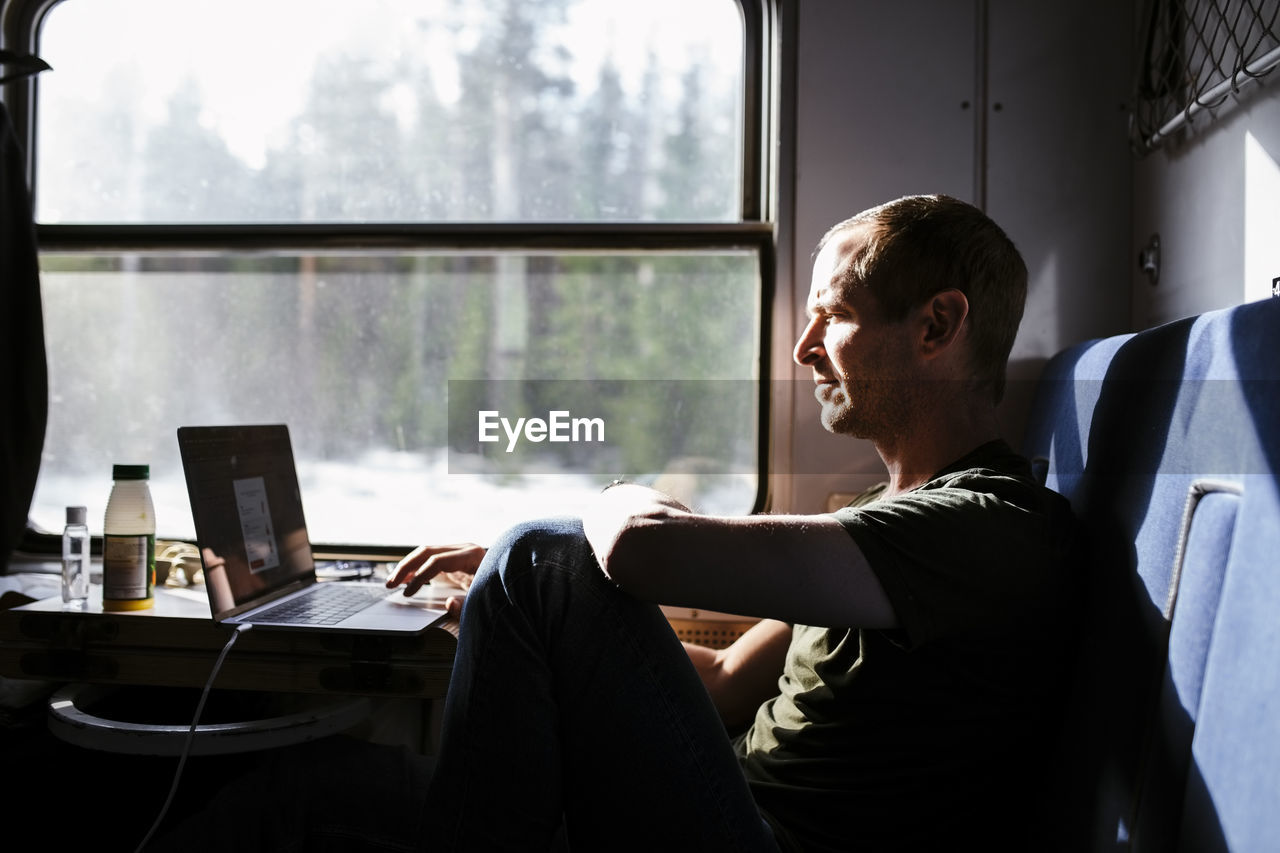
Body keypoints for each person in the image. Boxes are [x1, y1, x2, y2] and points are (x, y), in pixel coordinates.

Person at [154, 194, 1076, 852]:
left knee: (541, 553)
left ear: (936, 325)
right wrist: (518, 620)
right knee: (302, 788)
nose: (802, 350)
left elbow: (639, 546)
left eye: (830, 317)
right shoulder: (885, 522)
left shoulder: (985, 526)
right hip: (728, 805)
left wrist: (590, 525)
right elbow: (717, 684)